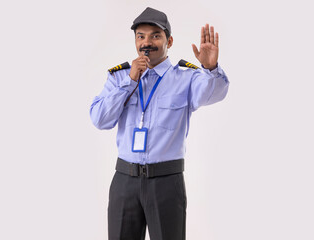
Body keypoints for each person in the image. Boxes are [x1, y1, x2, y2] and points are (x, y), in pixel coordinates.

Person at [90, 7, 229, 240]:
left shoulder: (186, 77)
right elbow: (100, 119)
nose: (147, 42)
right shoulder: (119, 77)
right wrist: (130, 81)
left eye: (155, 35)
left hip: (166, 182)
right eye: (140, 36)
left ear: (169, 40)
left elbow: (214, 93)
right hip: (125, 180)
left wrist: (210, 69)